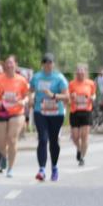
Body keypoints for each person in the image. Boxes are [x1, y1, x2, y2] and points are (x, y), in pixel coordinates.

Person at [29, 53, 69, 181]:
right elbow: (31, 91)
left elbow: (66, 97)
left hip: (56, 113)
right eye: (46, 62)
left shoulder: (59, 78)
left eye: (50, 62)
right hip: (40, 112)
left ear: (54, 64)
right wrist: (30, 98)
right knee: (42, 139)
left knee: (53, 141)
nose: (48, 64)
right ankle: (41, 169)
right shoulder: (36, 77)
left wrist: (53, 95)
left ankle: (55, 167)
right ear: (42, 64)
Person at [0, 55, 29, 177]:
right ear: (4, 65)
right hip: (0, 112)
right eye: (7, 63)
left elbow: (27, 96)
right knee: (1, 143)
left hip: (17, 112)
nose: (9, 65)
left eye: (11, 63)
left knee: (12, 139)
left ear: (16, 64)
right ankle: (4, 157)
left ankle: (10, 168)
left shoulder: (22, 80)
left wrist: (24, 101)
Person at [68, 64, 95, 166]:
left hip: (86, 111)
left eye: (82, 71)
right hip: (75, 111)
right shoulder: (71, 84)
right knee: (75, 137)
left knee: (84, 136)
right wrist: (72, 96)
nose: (80, 73)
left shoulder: (91, 83)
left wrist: (93, 98)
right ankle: (79, 149)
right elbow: (68, 98)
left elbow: (93, 94)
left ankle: (82, 157)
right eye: (78, 71)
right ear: (76, 72)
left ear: (85, 72)